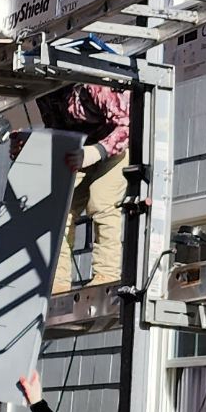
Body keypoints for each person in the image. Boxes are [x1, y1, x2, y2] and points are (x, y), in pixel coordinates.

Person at [38, 82, 130, 287]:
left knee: (101, 198)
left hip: (114, 145)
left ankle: (107, 273)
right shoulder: (45, 91)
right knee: (58, 209)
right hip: (78, 149)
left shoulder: (94, 83)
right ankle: (58, 281)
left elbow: (126, 125)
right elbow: (54, 129)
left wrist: (96, 151)